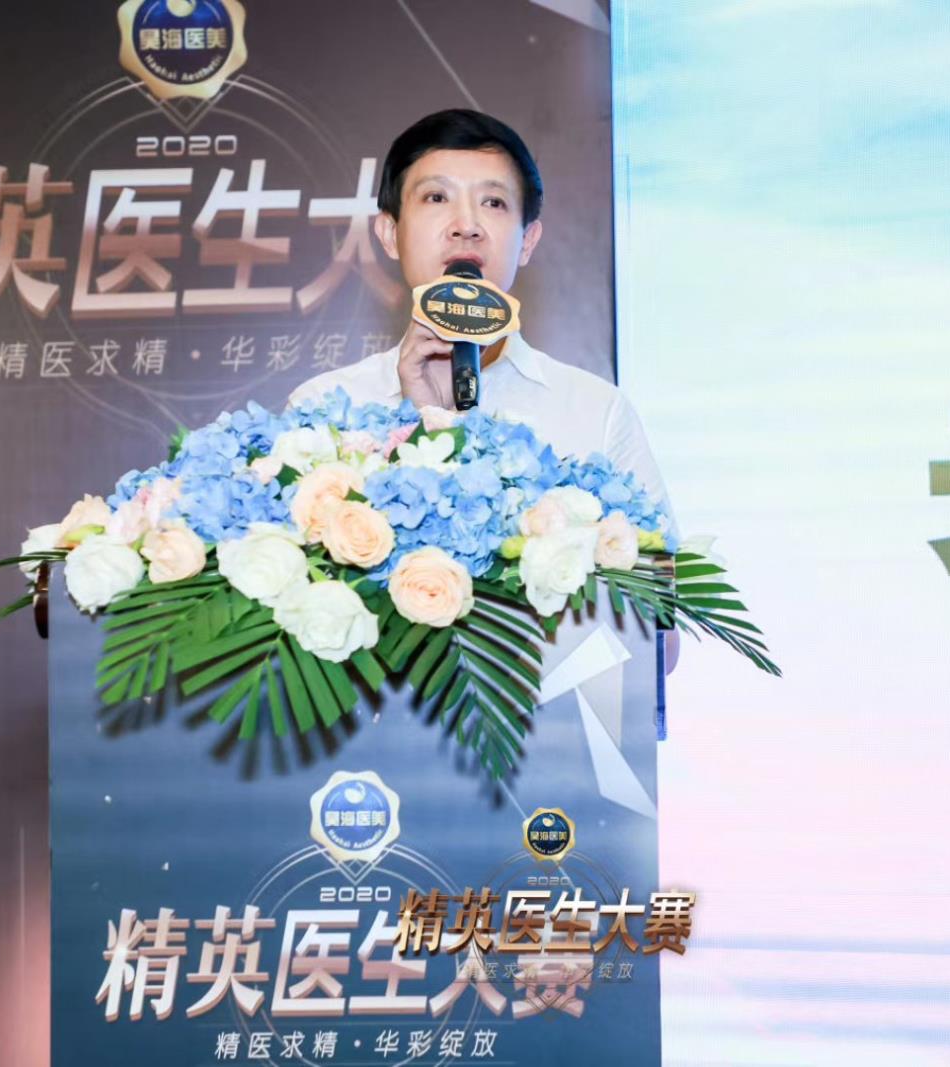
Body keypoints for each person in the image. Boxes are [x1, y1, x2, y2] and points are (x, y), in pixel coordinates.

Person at [286, 108, 680, 668]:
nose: (466, 224)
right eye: (436, 198)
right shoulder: (321, 412)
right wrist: (424, 422)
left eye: (493, 203)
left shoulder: (595, 411)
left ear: (528, 239)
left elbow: (660, 643)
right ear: (389, 233)